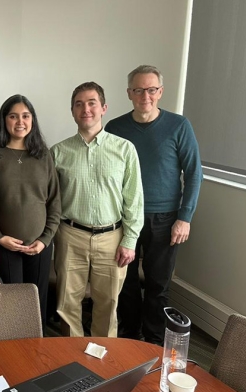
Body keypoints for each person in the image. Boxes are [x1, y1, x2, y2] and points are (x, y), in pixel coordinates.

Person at [105, 65, 203, 345]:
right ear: (129, 93)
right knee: (126, 283)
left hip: (165, 220)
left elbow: (194, 172)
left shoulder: (178, 126)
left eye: (151, 89)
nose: (144, 96)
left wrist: (185, 217)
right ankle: (128, 338)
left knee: (158, 285)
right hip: (125, 219)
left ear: (160, 92)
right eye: (138, 90)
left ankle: (154, 341)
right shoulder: (116, 128)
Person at [51, 82, 143, 338]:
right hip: (70, 235)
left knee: (108, 304)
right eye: (78, 104)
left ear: (103, 108)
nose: (85, 109)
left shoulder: (125, 150)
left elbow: (134, 200)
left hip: (112, 239)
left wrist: (130, 241)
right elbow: (49, 200)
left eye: (92, 103)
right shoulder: (58, 152)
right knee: (67, 305)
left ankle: (104, 362)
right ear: (72, 111)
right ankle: (72, 360)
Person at [0, 94, 61, 327]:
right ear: (4, 120)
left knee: (37, 304)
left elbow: (54, 201)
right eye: (13, 116)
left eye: (25, 116)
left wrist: (45, 240)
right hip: (4, 246)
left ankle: (38, 354)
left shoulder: (43, 154)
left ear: (32, 120)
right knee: (10, 307)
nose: (20, 121)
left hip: (40, 246)